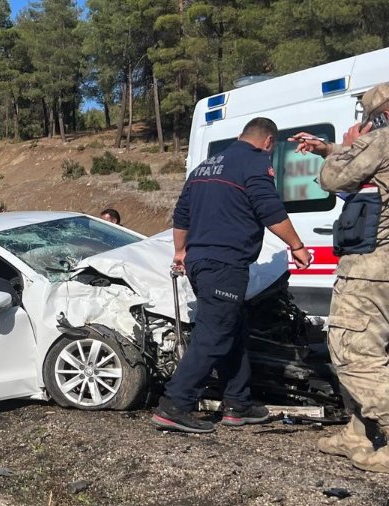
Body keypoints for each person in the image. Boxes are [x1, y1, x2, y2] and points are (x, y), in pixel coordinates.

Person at [151, 117, 312, 433]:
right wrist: (297, 245)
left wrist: (180, 252)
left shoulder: (205, 167)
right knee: (214, 334)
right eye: (271, 149)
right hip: (225, 264)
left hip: (200, 261)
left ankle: (238, 404)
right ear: (267, 142)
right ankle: (175, 405)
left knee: (232, 329)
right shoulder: (254, 163)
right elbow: (269, 209)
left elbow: (182, 215)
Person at [291, 83, 389, 472]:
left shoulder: (380, 142)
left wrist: (347, 145)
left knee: (353, 352)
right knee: (375, 351)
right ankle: (358, 431)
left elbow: (333, 181)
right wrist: (331, 149)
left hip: (372, 269)